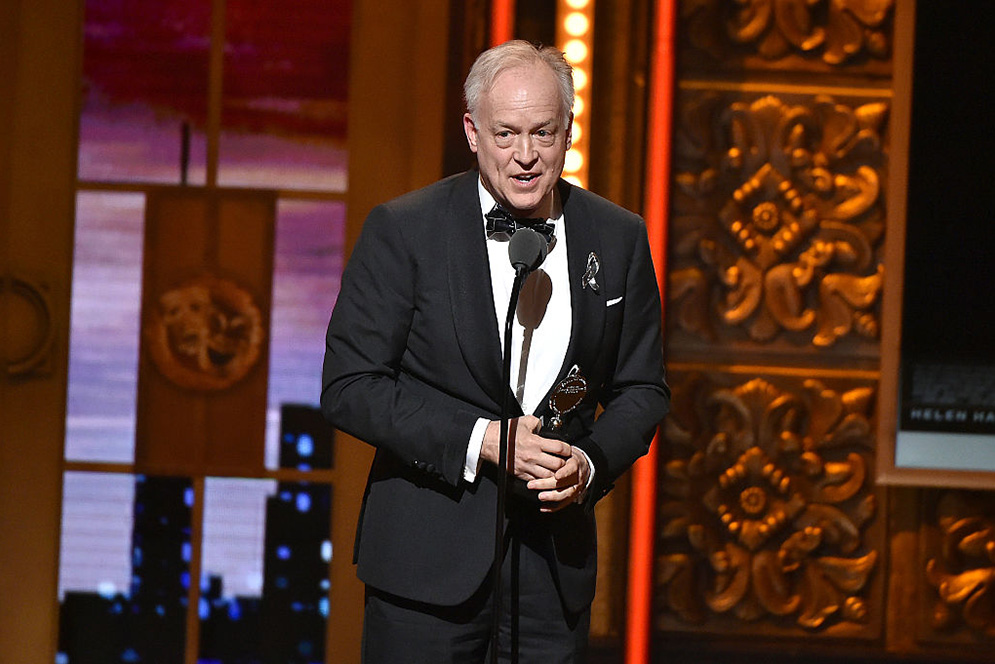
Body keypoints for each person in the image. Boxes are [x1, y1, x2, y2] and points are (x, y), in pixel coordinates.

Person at [321, 40, 669, 663]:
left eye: (544, 133)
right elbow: (350, 386)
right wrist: (480, 439)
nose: (527, 157)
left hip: (551, 574)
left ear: (569, 132)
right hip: (425, 571)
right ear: (472, 132)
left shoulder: (618, 237)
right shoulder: (405, 231)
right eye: (506, 134)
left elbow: (642, 389)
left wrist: (588, 464)